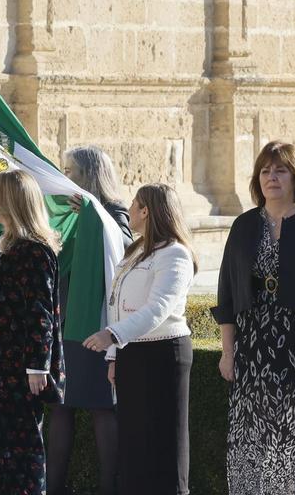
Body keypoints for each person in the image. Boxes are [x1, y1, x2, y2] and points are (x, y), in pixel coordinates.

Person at [211, 141, 295, 493]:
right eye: (265, 171)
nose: (272, 177)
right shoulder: (244, 226)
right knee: (253, 441)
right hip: (254, 349)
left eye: (280, 170)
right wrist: (227, 351)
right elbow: (228, 294)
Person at [82, 183, 196, 495]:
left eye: (134, 204)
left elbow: (158, 308)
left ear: (145, 210)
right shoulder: (137, 250)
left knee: (164, 440)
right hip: (131, 353)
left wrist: (112, 336)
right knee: (134, 441)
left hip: (164, 354)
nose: (129, 209)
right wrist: (115, 355)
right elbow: (118, 304)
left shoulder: (175, 254)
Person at [47, 145, 132, 495]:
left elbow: (125, 248)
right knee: (60, 407)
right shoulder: (68, 212)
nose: (65, 177)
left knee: (101, 408)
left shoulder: (111, 209)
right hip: (66, 324)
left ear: (90, 175)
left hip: (97, 325)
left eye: (72, 172)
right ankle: (51, 488)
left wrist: (93, 215)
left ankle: (108, 488)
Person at [0, 169, 63, 495]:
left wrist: (37, 365)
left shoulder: (34, 252)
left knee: (22, 454)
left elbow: (40, 313)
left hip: (18, 370)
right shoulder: (4, 248)